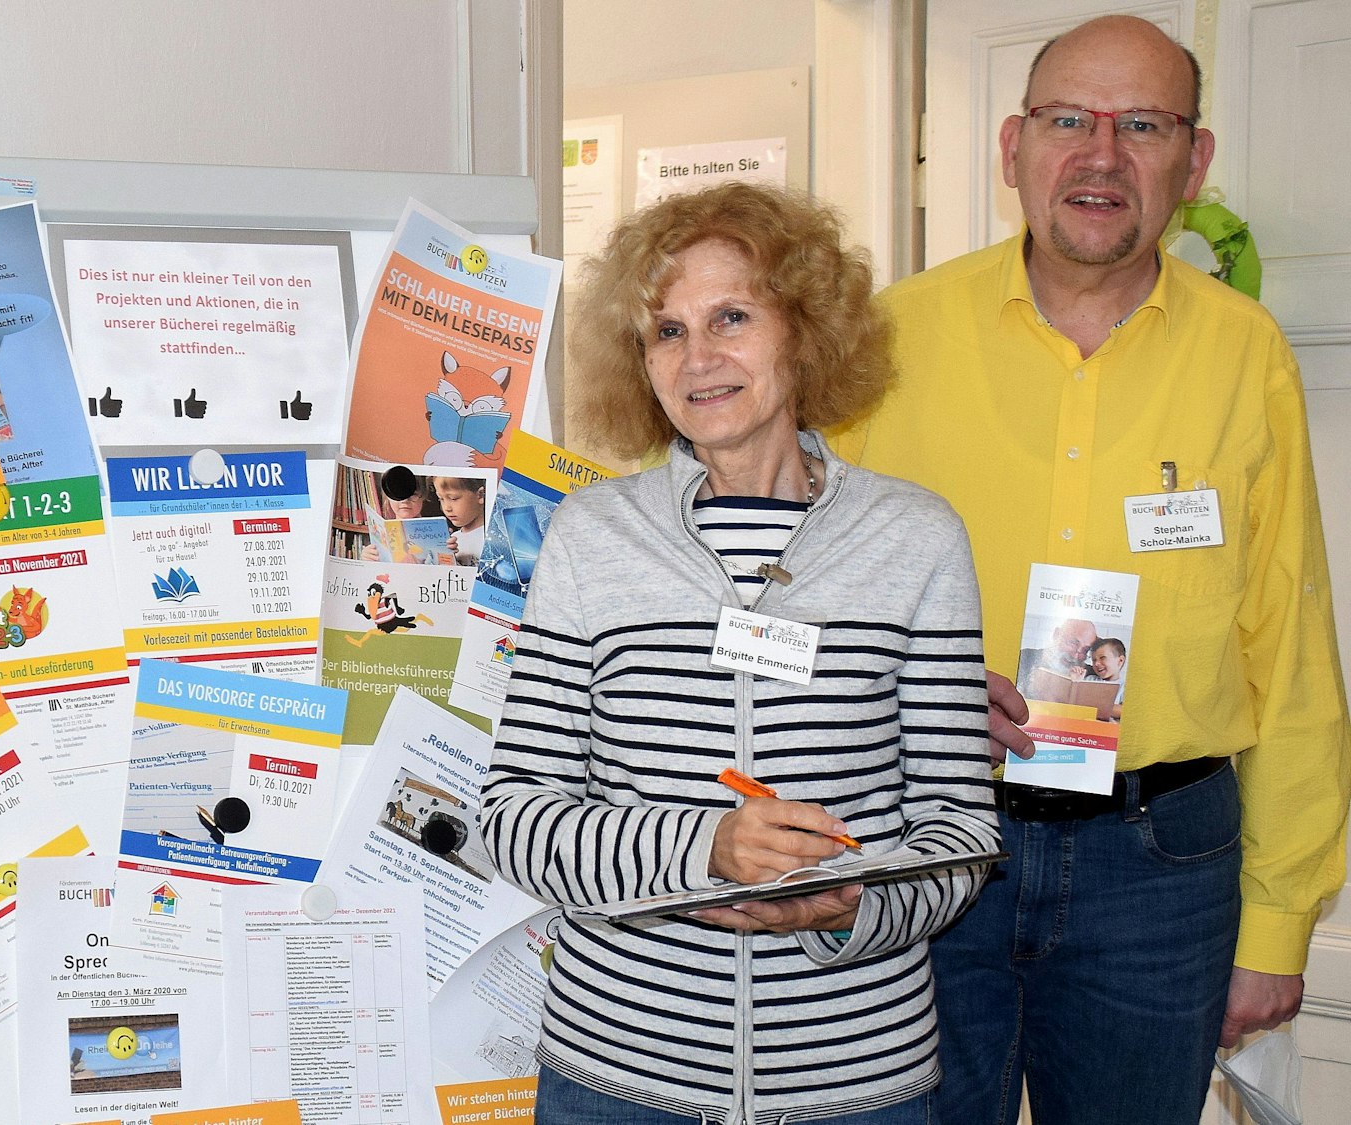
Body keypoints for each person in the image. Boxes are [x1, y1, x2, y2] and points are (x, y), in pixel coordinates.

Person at [830, 16, 1351, 1123]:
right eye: (1068, 119)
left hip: (1158, 872)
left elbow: (1291, 646)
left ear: (1193, 162)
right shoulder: (886, 339)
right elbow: (779, 573)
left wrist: (1276, 923)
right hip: (927, 841)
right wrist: (903, 686)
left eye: (1143, 125)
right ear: (1012, 146)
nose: (1101, 154)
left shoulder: (1244, 352)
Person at [482, 182, 999, 1124]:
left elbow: (960, 836)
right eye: (666, 331)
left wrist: (846, 904)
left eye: (731, 316)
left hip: (856, 1080)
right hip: (619, 1077)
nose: (699, 358)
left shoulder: (916, 538)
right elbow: (514, 817)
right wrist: (705, 847)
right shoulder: (591, 536)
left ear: (804, 330)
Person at [433, 476, 486, 565]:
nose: (446, 508)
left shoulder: (493, 537)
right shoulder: (451, 541)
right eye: (441, 499)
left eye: (453, 498)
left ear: (480, 495)